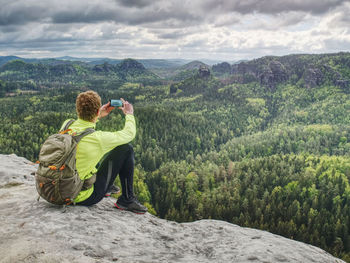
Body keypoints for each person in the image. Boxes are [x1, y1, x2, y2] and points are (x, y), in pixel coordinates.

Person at [60, 90, 147, 213]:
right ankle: (127, 199)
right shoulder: (97, 139)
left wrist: (98, 115)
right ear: (96, 111)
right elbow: (129, 134)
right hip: (80, 197)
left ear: (77, 110)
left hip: (57, 188)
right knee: (126, 149)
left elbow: (84, 124)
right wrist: (129, 114)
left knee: (88, 153)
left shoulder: (67, 124)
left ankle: (107, 187)